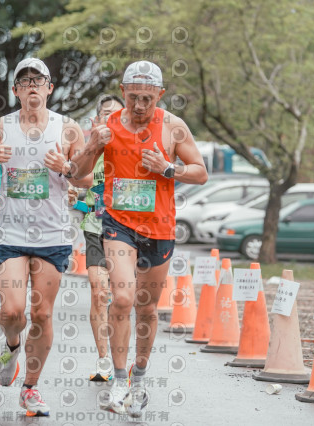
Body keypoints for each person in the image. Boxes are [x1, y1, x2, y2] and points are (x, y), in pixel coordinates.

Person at [72, 60, 208, 417]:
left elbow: (200, 172)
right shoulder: (108, 128)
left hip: (159, 229)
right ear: (123, 92)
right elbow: (76, 174)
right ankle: (119, 380)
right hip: (119, 224)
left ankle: (140, 377)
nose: (140, 105)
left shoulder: (173, 127)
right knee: (121, 298)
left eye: (148, 98)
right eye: (133, 97)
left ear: (160, 95)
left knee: (146, 308)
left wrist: (168, 168)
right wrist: (92, 146)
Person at [0, 58, 91, 417]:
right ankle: (11, 346)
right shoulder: (1, 128)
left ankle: (30, 389)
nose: (32, 86)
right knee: (11, 311)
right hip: (12, 234)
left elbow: (86, 180)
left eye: (38, 80)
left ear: (49, 88)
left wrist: (66, 168)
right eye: (24, 82)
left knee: (41, 314)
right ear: (16, 91)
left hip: (53, 235)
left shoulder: (67, 128)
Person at [69, 94, 124, 382]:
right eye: (106, 114)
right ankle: (104, 361)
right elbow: (79, 179)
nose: (111, 119)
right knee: (99, 292)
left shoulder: (132, 147)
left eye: (118, 114)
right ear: (97, 119)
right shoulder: (91, 149)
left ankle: (122, 360)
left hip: (128, 233)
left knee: (123, 299)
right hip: (96, 226)